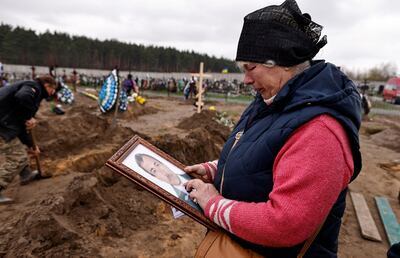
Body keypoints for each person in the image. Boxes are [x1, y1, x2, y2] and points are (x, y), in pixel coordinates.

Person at [184, 0, 362, 257]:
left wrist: (213, 204)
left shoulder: (320, 131)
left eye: (250, 67)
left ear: (283, 61)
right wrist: (216, 169)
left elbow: (285, 223)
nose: (245, 79)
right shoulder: (273, 101)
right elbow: (264, 154)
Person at [0, 75, 58, 204]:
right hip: (2, 124)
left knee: (18, 147)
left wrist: (31, 145)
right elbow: (22, 97)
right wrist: (29, 117)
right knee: (18, 157)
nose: (53, 93)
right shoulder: (33, 87)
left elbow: (21, 126)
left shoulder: (32, 94)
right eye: (53, 90)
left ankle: (25, 174)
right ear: (47, 85)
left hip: (5, 123)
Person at [135, 153, 200, 210]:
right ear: (155, 177)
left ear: (163, 163)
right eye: (154, 171)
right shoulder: (177, 201)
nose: (161, 171)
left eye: (157, 164)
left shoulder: (194, 175)